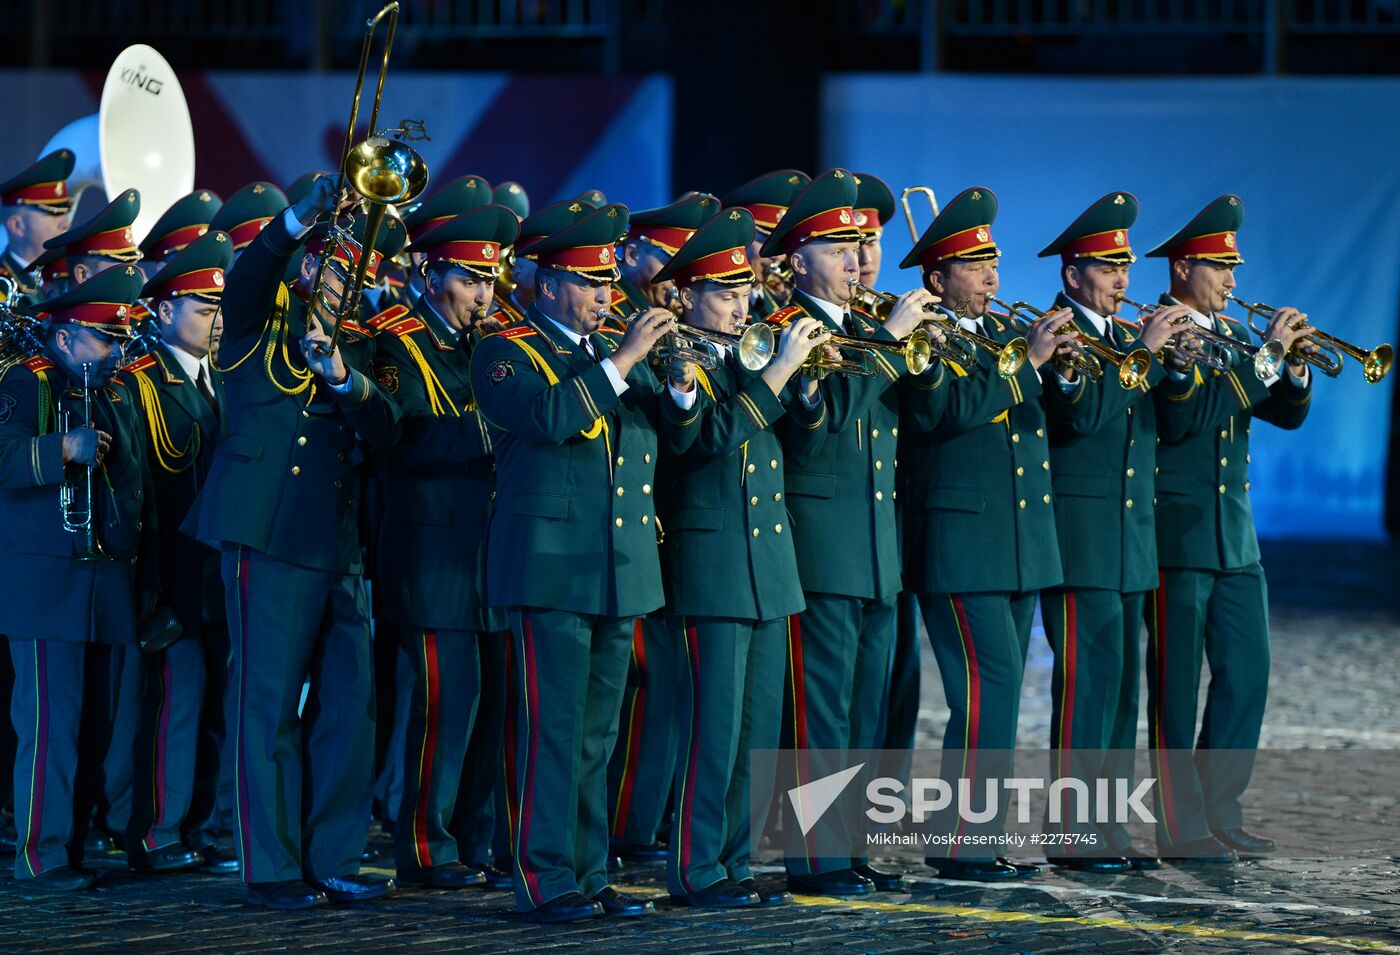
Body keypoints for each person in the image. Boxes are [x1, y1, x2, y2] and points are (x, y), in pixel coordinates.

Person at [186, 175, 404, 910]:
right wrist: (297, 219)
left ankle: (333, 854)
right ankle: (270, 863)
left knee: (349, 699)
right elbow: (249, 274)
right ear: (310, 268)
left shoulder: (360, 346)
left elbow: (388, 427)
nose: (354, 286)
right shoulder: (257, 322)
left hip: (335, 539)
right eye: (344, 269)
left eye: (363, 276)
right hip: (267, 531)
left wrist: (347, 380)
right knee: (268, 701)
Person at [469, 203, 677, 923]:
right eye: (591, 284)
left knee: (598, 733)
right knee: (552, 729)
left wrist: (667, 371)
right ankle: (543, 873)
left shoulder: (604, 356)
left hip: (614, 566)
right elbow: (551, 420)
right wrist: (622, 362)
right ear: (550, 283)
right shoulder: (506, 350)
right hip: (549, 569)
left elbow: (669, 432)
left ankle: (588, 871)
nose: (605, 296)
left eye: (607, 282)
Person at [761, 169, 936, 896]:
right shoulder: (785, 331)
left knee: (865, 711)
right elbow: (819, 425)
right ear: (798, 260)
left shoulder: (865, 330)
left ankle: (853, 845)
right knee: (820, 711)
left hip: (874, 551)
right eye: (839, 246)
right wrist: (891, 345)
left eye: (861, 243)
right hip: (822, 549)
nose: (857, 258)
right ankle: (815, 856)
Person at [897, 186, 1076, 882]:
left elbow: (1037, 432)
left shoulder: (1003, 338)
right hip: (960, 548)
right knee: (986, 688)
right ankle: (961, 841)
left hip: (1017, 546)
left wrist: (1055, 375)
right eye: (976, 266)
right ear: (938, 279)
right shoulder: (920, 340)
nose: (994, 277)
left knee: (998, 693)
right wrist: (1028, 368)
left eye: (993, 262)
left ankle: (978, 834)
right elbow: (941, 413)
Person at [651, 206, 828, 907]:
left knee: (757, 732)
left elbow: (800, 446)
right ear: (687, 296)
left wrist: (805, 386)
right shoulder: (676, 358)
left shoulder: (749, 352)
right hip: (712, 566)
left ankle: (733, 858)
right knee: (712, 729)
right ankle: (696, 867)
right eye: (724, 294)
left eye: (742, 291)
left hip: (767, 566)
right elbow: (702, 440)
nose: (740, 304)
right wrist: (779, 374)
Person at [1143, 195, 1314, 862]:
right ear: (1184, 267)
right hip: (1176, 538)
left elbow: (1284, 412)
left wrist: (1292, 364)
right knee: (1176, 690)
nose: (1233, 281)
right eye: (1221, 268)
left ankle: (1221, 810)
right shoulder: (1161, 332)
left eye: (1233, 268)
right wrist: (1266, 356)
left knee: (1247, 673)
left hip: (1234, 539)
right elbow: (1192, 417)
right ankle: (1179, 825)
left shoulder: (1233, 339)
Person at [367, 204, 520, 890]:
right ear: (431, 275)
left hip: (487, 550)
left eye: (490, 279)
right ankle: (426, 847)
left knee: (491, 707)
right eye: (471, 278)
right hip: (430, 553)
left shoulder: (483, 342)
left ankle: (476, 840)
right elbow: (402, 434)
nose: (485, 294)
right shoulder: (396, 340)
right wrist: (496, 433)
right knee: (443, 707)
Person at [1035, 192, 1184, 871]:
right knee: (1084, 690)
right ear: (1073, 275)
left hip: (1129, 545)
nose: (1123, 278)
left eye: (1124, 264)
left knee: (1121, 692)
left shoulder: (1131, 340)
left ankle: (1108, 827)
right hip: (1079, 543)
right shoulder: (1061, 336)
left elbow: (1165, 432)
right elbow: (1080, 418)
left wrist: (1173, 365)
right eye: (1106, 266)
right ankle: (1070, 831)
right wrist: (1150, 357)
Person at [0, 264, 153, 891]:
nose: (116, 350)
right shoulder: (25, 380)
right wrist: (60, 451)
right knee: (51, 725)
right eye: (104, 338)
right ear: (65, 338)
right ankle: (42, 853)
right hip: (46, 583)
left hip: (104, 578)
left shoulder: (113, 389)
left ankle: (75, 841)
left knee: (96, 726)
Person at [114, 230, 239, 876]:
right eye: (203, 309)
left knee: (215, 702)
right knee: (175, 705)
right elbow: (139, 490)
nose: (215, 323)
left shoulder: (220, 378)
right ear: (163, 311)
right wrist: (149, 584)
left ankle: (199, 824)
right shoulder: (143, 381)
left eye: (219, 310)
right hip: (174, 574)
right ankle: (157, 829)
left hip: (218, 573)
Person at [604, 193, 717, 865]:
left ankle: (648, 814)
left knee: (669, 688)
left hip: (667, 523)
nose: (674, 278)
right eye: (665, 261)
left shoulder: (672, 323)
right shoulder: (625, 323)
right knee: (641, 686)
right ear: (635, 252)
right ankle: (629, 821)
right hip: (641, 526)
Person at [721, 170, 809, 321]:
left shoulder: (778, 299)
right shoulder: (718, 301)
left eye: (781, 245)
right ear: (739, 240)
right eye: (766, 241)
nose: (777, 256)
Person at [0, 149, 76, 306]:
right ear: (17, 226)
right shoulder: (3, 290)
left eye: (65, 212)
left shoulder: (73, 278)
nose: (66, 223)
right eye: (53, 214)